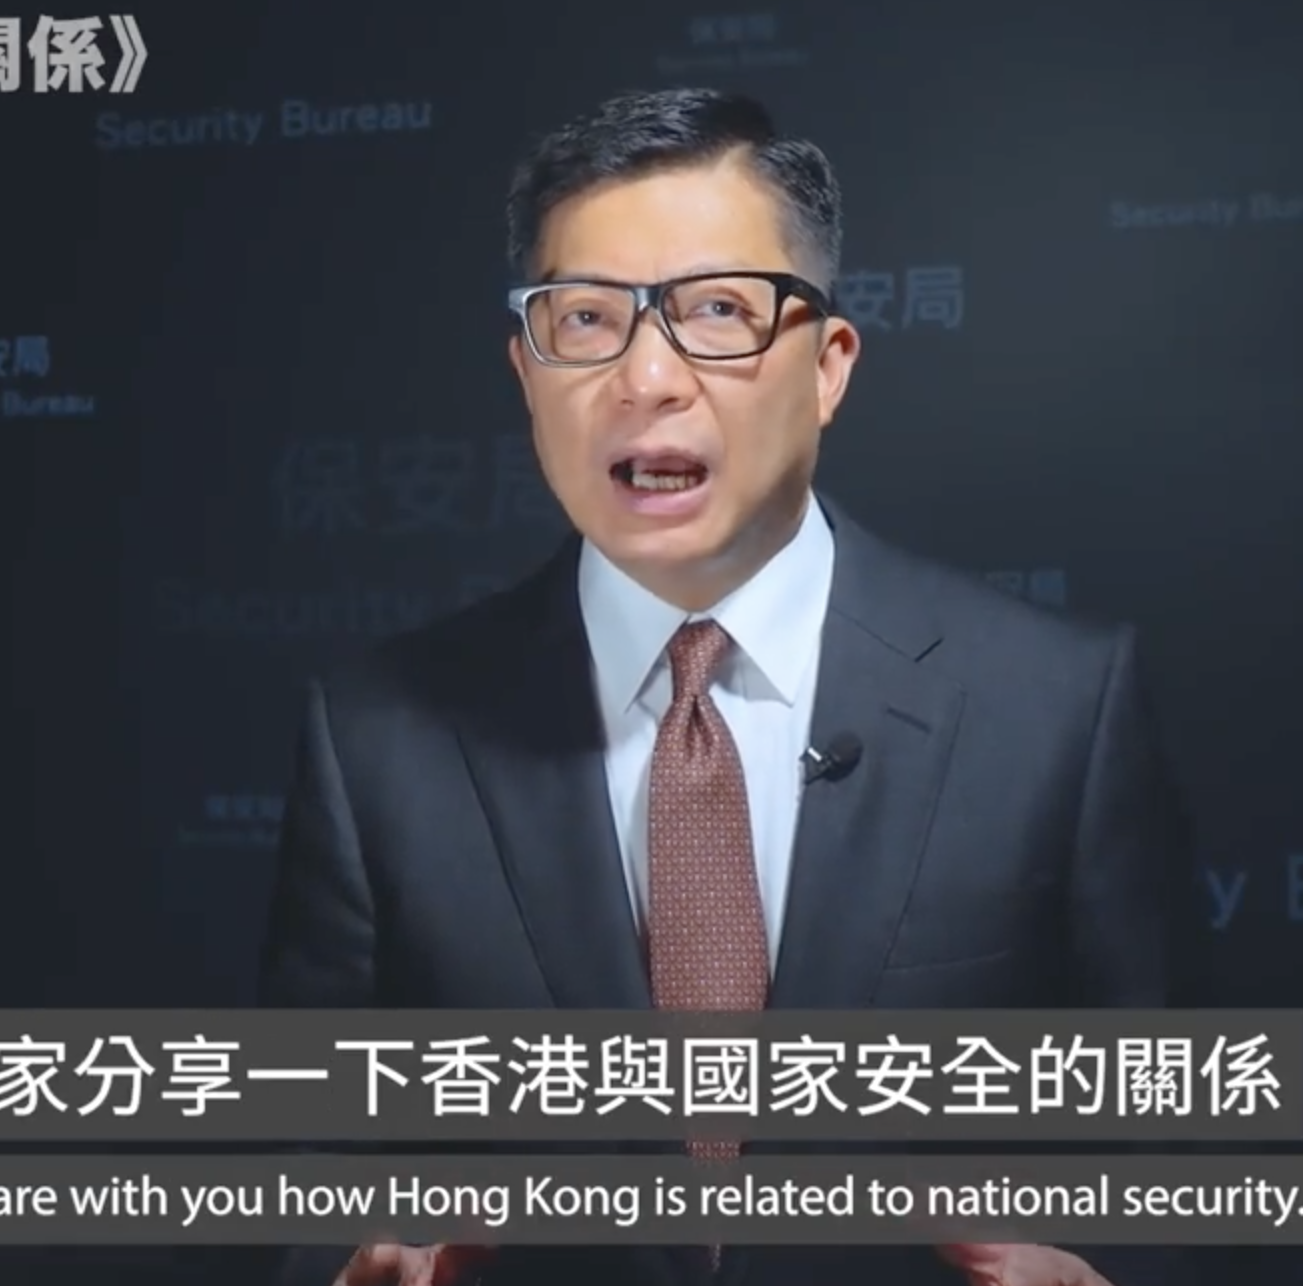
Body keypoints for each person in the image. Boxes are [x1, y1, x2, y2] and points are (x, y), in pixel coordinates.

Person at [256, 89, 1205, 1286]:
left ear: (828, 366)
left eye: (716, 311)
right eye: (585, 318)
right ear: (524, 372)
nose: (646, 375)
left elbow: (1186, 1152)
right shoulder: (378, 735)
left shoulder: (1055, 703)